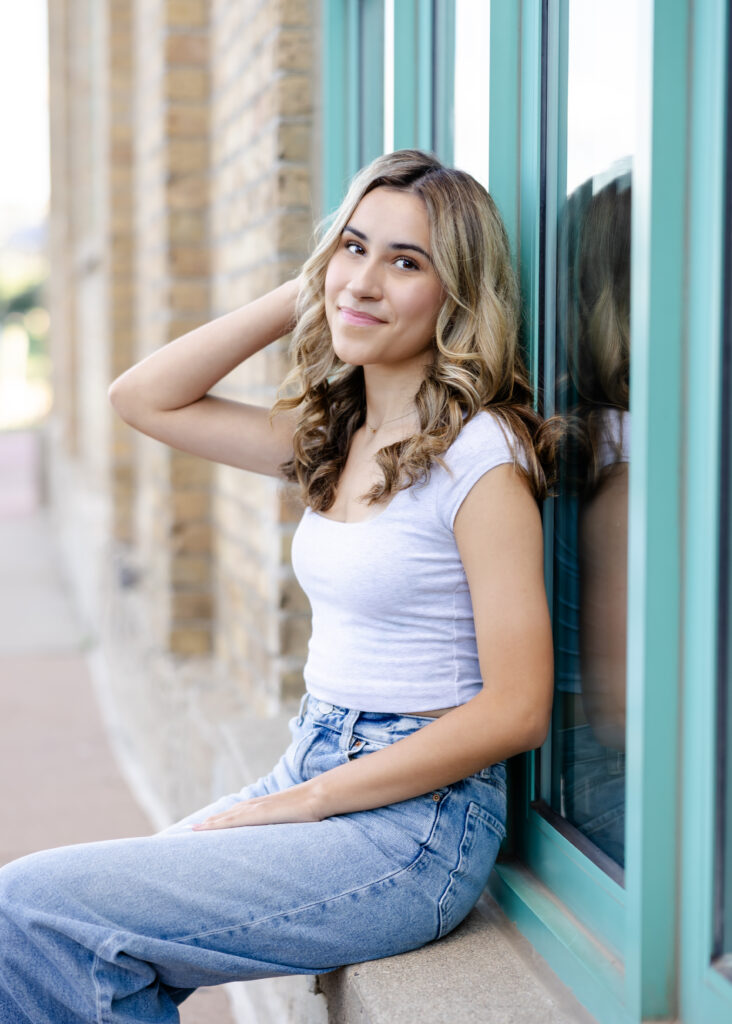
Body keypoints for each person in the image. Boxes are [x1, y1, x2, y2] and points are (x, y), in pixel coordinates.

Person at [0, 150, 553, 1024]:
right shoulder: (340, 435)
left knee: (31, 908)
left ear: (456, 297)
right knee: (64, 934)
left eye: (406, 263)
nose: (366, 280)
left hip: (416, 825)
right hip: (317, 758)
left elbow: (518, 710)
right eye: (354, 247)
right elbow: (144, 398)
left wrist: (305, 801)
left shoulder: (480, 456)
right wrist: (315, 290)